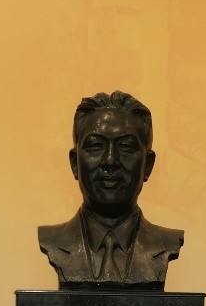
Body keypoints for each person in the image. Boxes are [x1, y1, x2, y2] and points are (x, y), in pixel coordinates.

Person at [38, 90, 184, 290]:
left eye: (126, 147)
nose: (110, 160)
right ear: (74, 163)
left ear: (148, 165)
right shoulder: (52, 240)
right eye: (95, 146)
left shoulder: (166, 243)